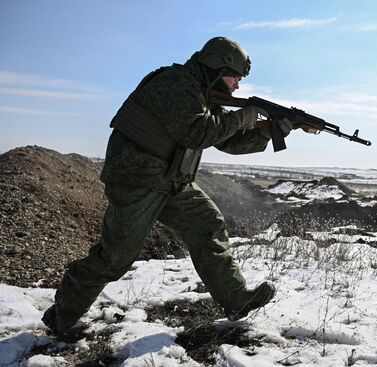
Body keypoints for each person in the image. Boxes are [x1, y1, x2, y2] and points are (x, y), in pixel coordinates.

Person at [42, 36, 294, 339]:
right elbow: (198, 134)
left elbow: (227, 141)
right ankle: (62, 316)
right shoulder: (176, 83)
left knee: (207, 224)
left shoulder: (203, 94)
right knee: (115, 258)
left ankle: (235, 299)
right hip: (137, 179)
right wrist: (246, 115)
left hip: (170, 179)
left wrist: (269, 132)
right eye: (235, 77)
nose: (237, 86)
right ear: (217, 67)